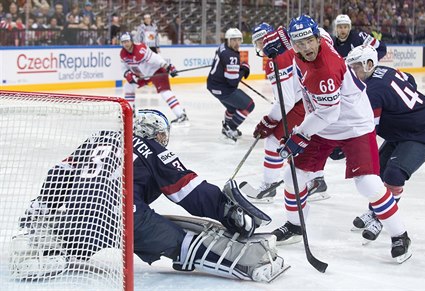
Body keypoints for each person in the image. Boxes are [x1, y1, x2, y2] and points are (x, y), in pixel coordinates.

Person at [10, 109, 287, 282]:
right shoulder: (150, 148)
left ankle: (53, 248)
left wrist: (43, 205)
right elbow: (187, 189)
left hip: (76, 215)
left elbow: (60, 173)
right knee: (181, 241)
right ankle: (247, 267)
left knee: (82, 236)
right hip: (122, 213)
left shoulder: (98, 138)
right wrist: (225, 209)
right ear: (155, 133)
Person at [262, 15, 411, 263]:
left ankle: (400, 234)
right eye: (299, 43)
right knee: (292, 176)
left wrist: (299, 135)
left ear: (318, 40)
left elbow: (329, 113)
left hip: (353, 125)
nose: (306, 48)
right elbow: (297, 34)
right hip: (323, 123)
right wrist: (279, 41)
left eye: (310, 42)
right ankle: (295, 225)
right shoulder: (316, 39)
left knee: (368, 184)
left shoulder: (326, 70)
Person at [345, 45, 425, 242]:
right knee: (377, 170)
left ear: (369, 64)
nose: (352, 72)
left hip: (421, 133)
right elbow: (409, 80)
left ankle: (382, 218)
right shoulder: (385, 71)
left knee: (394, 173)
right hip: (406, 128)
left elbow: (368, 132)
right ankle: (376, 210)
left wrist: (343, 145)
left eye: (356, 67)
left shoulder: (371, 91)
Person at [241, 22, 328, 203]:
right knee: (308, 142)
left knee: (274, 141)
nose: (259, 47)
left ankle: (268, 188)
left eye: (259, 42)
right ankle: (317, 181)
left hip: (300, 105)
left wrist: (269, 121)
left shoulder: (276, 59)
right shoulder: (291, 49)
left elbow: (286, 101)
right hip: (314, 100)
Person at [330, 13, 388, 161]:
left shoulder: (359, 37)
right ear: (336, 28)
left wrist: (370, 67)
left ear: (349, 27)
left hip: (362, 79)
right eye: (340, 27)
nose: (343, 30)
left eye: (345, 27)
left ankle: (361, 138)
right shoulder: (331, 43)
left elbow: (381, 48)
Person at [120, 32, 188, 124]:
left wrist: (167, 66)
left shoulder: (141, 49)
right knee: (128, 86)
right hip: (143, 75)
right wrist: (128, 74)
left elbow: (156, 58)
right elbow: (124, 67)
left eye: (127, 41)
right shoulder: (123, 53)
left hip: (156, 71)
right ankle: (130, 112)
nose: (126, 44)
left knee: (165, 92)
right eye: (123, 42)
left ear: (131, 41)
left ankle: (181, 115)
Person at [207, 28, 253, 142]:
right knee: (249, 105)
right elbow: (233, 83)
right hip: (222, 88)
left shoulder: (223, 47)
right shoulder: (231, 55)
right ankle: (230, 128)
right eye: (233, 40)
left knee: (232, 108)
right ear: (228, 40)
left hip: (214, 85)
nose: (237, 43)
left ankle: (226, 127)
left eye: (239, 40)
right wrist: (243, 69)